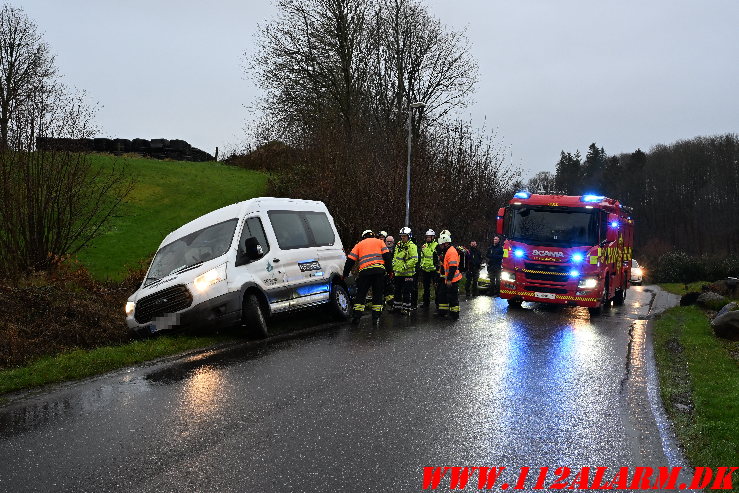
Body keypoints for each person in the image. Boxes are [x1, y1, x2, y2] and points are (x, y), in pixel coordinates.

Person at [343, 229, 392, 324]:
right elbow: (387, 257)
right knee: (377, 294)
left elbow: (350, 261)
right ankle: (376, 317)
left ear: (363, 236)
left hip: (365, 273)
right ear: (373, 235)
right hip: (379, 272)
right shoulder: (380, 242)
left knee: (361, 294)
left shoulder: (359, 244)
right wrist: (390, 271)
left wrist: (345, 274)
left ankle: (357, 316)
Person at [436, 230, 462, 319]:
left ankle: (454, 315)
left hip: (452, 280)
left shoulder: (451, 252)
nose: (440, 246)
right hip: (447, 279)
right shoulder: (447, 251)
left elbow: (453, 267)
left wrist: (449, 279)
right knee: (442, 295)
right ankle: (443, 312)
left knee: (452, 298)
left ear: (446, 243)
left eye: (441, 244)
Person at [392, 227, 418, 315]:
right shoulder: (398, 245)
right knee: (397, 291)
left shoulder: (412, 246)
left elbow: (414, 259)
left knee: (407, 292)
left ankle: (407, 308)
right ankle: (397, 308)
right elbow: (395, 257)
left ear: (409, 236)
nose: (403, 237)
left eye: (404, 236)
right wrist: (393, 265)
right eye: (401, 236)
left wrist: (404, 266)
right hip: (398, 273)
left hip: (408, 274)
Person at [419, 229, 438, 308]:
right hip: (425, 270)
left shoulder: (437, 245)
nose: (427, 239)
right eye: (427, 237)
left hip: (434, 270)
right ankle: (426, 303)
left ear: (433, 237)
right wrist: (421, 266)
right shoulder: (424, 246)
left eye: (429, 237)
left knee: (436, 287)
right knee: (426, 288)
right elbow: (422, 257)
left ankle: (438, 303)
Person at [383, 235, 396, 308]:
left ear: (393, 242)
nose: (389, 243)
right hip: (384, 271)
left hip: (394, 271)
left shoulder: (396, 250)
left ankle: (392, 303)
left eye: (391, 242)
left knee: (392, 288)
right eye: (388, 241)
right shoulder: (382, 250)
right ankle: (384, 302)